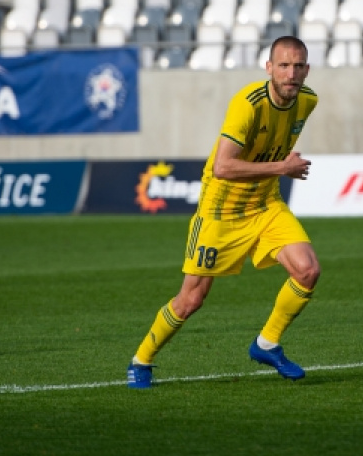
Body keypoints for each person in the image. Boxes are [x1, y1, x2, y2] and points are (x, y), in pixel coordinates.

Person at [127, 36, 321, 389]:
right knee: (190, 300)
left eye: (298, 66)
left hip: (265, 204)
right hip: (222, 210)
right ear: (269, 68)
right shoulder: (247, 105)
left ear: (307, 69)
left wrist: (276, 171)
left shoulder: (307, 101)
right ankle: (141, 360)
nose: (291, 74)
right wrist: (281, 167)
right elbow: (222, 167)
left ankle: (267, 344)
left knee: (307, 271)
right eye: (283, 65)